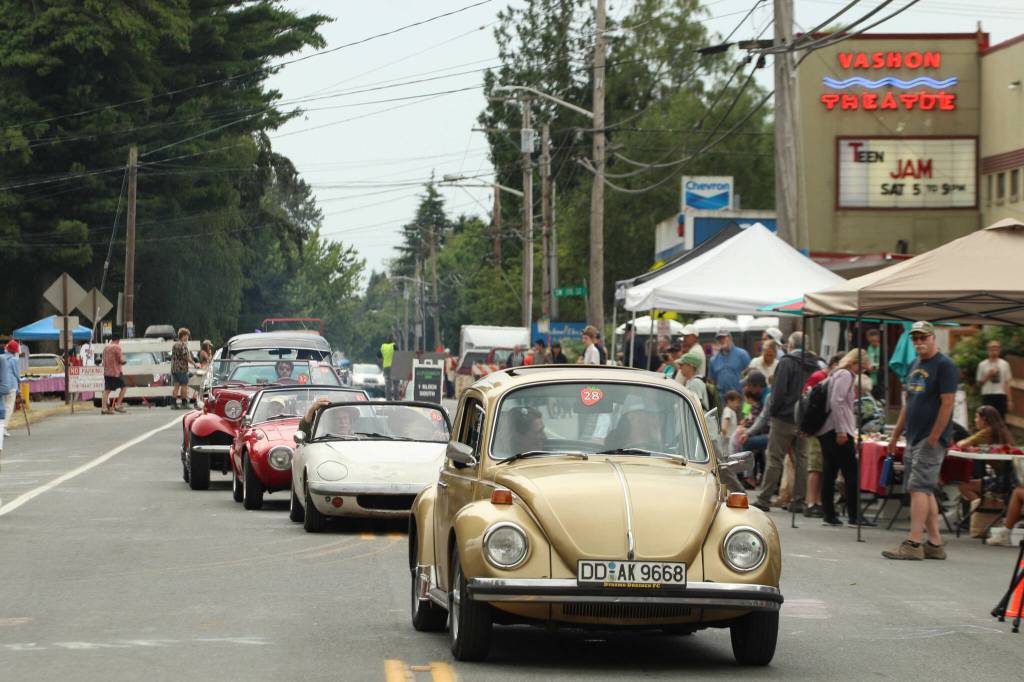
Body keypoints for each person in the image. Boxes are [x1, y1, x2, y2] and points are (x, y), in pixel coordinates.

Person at [882, 321, 958, 561]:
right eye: (915, 339)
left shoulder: (945, 365)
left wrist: (935, 436)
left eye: (923, 338)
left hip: (929, 438)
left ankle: (914, 543)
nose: (919, 342)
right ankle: (934, 543)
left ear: (933, 338)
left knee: (918, 488)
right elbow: (909, 403)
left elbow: (948, 402)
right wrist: (896, 434)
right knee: (924, 490)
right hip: (913, 437)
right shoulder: (915, 364)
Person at [752, 332, 820, 514]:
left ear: (791, 345)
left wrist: (773, 413)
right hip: (804, 419)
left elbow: (779, 392)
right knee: (801, 460)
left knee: (774, 458)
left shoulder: (787, 362)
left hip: (784, 417)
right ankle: (799, 500)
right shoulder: (815, 364)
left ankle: (764, 498)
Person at [816, 349, 876, 527]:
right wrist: (842, 430)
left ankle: (829, 514)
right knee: (851, 472)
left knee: (830, 471)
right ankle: (854, 515)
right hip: (837, 430)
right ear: (857, 362)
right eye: (864, 366)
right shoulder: (846, 375)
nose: (864, 370)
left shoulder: (836, 373)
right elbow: (837, 402)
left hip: (827, 429)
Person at [955, 404, 1013, 505]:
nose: (975, 420)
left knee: (964, 486)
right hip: (1010, 480)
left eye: (977, 417)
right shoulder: (1001, 431)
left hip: (1002, 482)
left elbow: (961, 444)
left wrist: (972, 448)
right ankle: (986, 509)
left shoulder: (987, 431)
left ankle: (981, 511)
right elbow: (995, 449)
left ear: (984, 419)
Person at [977, 339, 1013, 417]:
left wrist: (1009, 400)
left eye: (996, 350)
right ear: (988, 351)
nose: (994, 352)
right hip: (987, 394)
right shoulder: (982, 364)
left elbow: (1007, 383)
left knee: (1000, 418)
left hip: (1000, 395)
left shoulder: (1005, 364)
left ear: (999, 350)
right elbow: (980, 383)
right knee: (987, 419)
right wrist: (988, 375)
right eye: (992, 350)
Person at [708, 330, 750, 395]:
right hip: (721, 397)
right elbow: (711, 381)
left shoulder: (742, 354)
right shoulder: (713, 360)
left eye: (723, 338)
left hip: (739, 396)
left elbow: (749, 375)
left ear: (730, 338)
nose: (721, 340)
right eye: (719, 339)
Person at [101, 334, 127, 414]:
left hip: (107, 372)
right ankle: (118, 405)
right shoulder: (117, 347)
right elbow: (121, 360)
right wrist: (124, 361)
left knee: (107, 390)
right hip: (116, 372)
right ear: (118, 340)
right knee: (124, 387)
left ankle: (104, 408)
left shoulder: (106, 348)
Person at [171, 327, 195, 409]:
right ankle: (184, 403)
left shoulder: (175, 345)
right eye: (186, 335)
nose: (187, 337)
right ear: (183, 336)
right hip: (181, 369)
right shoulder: (183, 345)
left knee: (176, 386)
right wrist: (194, 363)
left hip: (174, 368)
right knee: (184, 385)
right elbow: (186, 357)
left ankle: (173, 404)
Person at [1, 340, 20, 438]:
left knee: (2, 407)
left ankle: (1, 426)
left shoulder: (1, 357)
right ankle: (3, 427)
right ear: (15, 351)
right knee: (9, 407)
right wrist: (19, 384)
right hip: (11, 385)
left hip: (1, 386)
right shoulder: (14, 360)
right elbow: (16, 374)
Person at [378, 335, 397, 399]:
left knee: (387, 384)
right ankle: (396, 398)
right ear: (393, 340)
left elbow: (378, 356)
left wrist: (382, 360)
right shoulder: (394, 346)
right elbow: (399, 355)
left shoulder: (383, 346)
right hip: (394, 367)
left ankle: (388, 399)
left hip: (386, 367)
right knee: (395, 383)